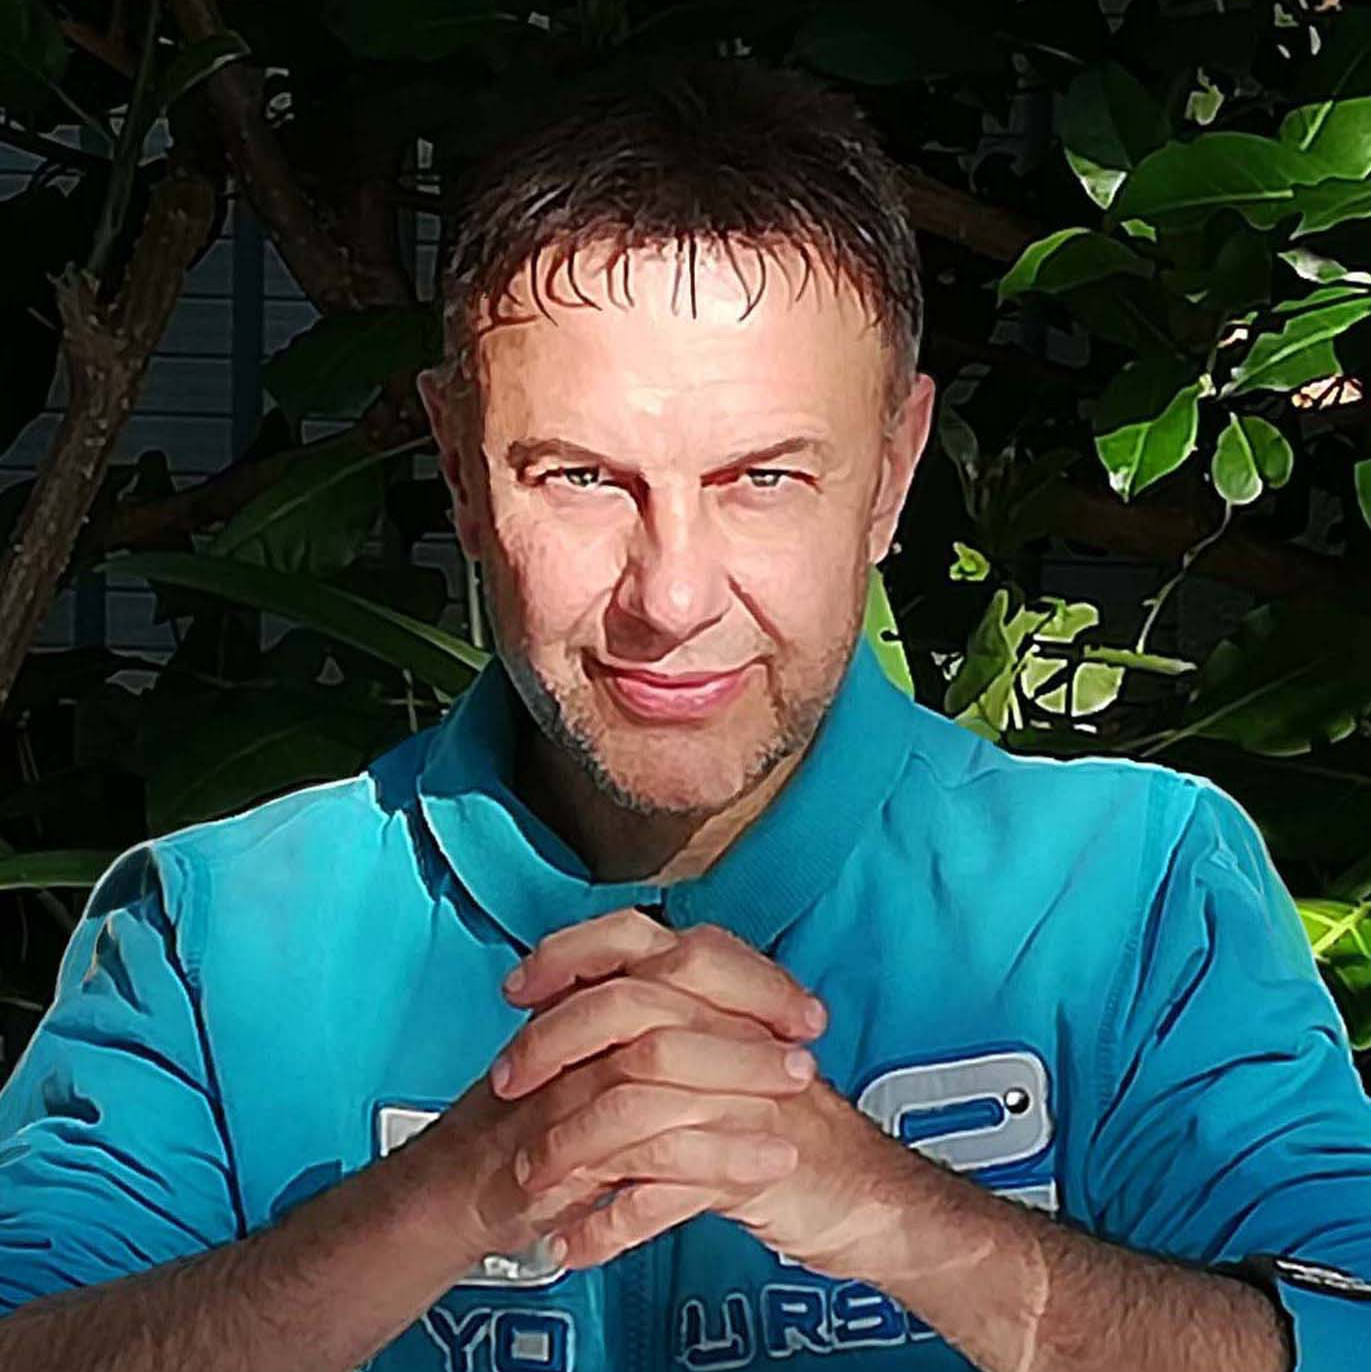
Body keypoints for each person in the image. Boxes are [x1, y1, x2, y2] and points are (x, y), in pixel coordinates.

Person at [1, 53, 1370, 1372]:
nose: (671, 597)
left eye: (763, 478)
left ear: (891, 473)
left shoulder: (1130, 899)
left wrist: (898, 1218)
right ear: (461, 472)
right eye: (582, 478)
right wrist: (451, 1197)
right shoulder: (217, 941)